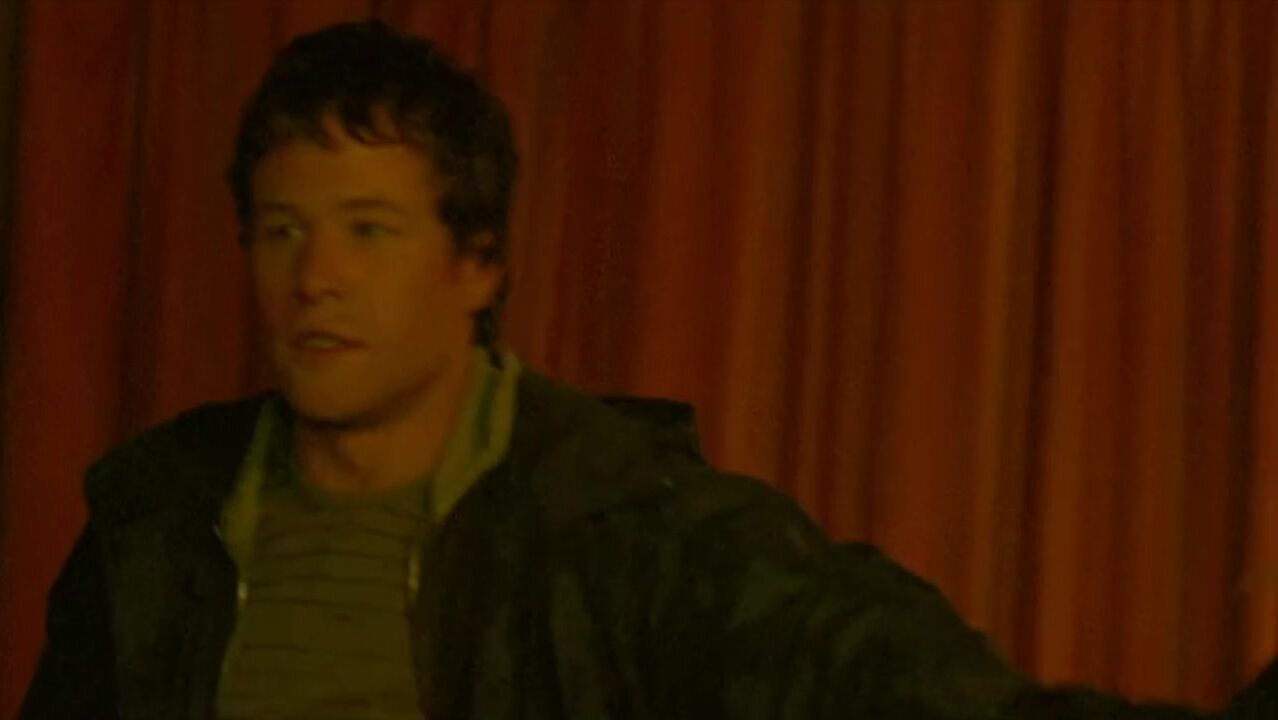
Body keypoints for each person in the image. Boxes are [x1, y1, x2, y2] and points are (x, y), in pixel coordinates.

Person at [17, 19, 1278, 720]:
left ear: (477, 265)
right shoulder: (155, 526)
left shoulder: (611, 516)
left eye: (370, 230)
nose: (317, 278)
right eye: (283, 231)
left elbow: (852, 655)